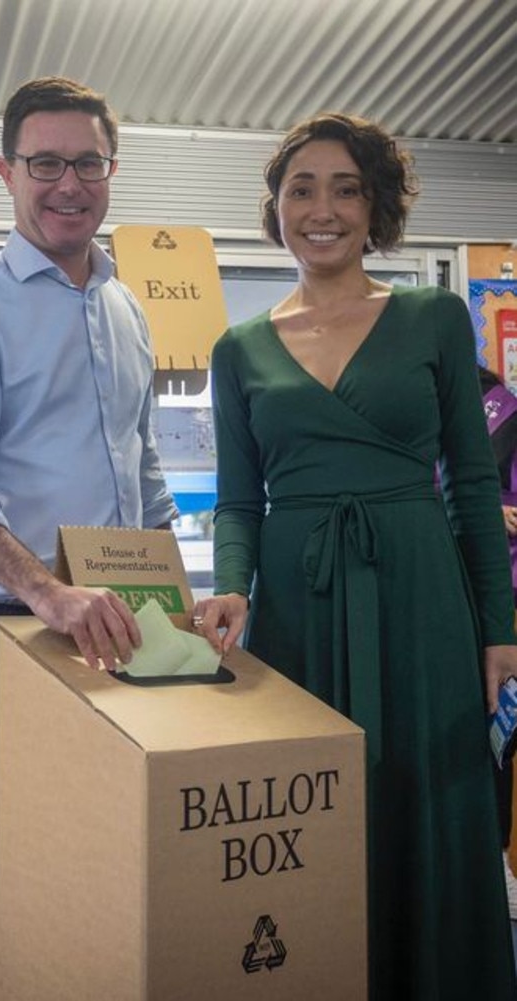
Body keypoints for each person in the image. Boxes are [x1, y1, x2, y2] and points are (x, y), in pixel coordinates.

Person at [192, 112, 517, 999]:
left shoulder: (434, 318)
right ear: (276, 208)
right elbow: (236, 499)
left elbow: (474, 489)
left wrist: (501, 631)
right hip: (298, 605)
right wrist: (228, 586)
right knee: (310, 807)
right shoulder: (237, 348)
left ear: (376, 210)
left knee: (433, 797)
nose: (323, 208)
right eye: (302, 188)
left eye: (346, 188)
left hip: (421, 598)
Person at [0, 77, 177, 1001]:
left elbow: (145, 478)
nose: (70, 183)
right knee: (3, 885)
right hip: (9, 631)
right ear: (6, 172)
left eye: (89, 162)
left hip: (123, 626)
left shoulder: (126, 309)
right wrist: (49, 591)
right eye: (46, 163)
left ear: (113, 171)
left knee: (109, 868)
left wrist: (180, 598)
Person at [479, 363, 517, 918]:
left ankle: (502, 861)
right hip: (450, 586)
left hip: (500, 594)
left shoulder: (502, 408)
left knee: (501, 726)